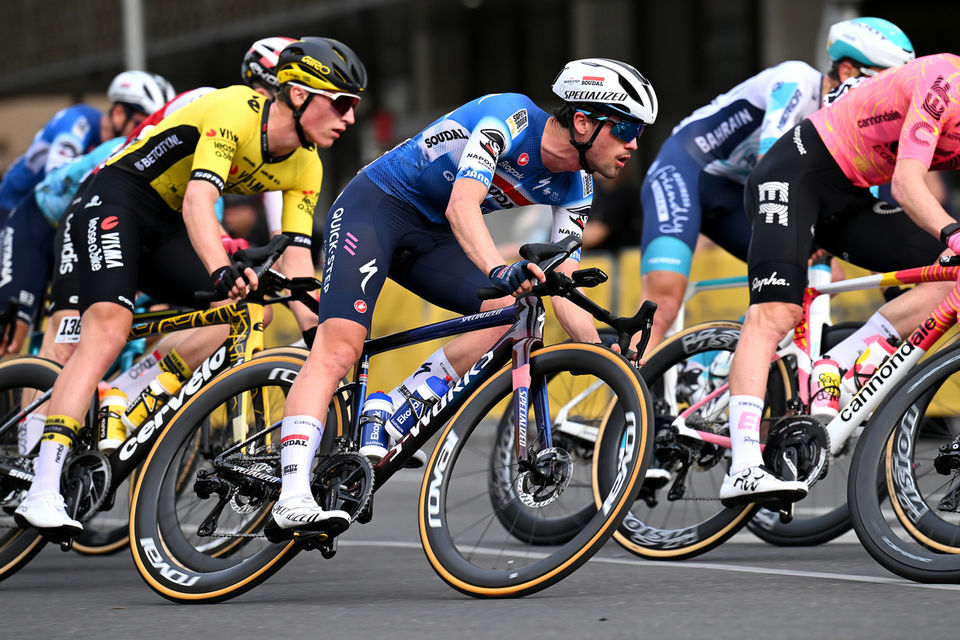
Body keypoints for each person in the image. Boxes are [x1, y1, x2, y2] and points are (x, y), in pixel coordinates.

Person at [270, 58, 658, 534]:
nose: (634, 144)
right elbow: (462, 205)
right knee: (341, 348)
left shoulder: (577, 186)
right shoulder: (507, 118)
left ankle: (389, 410)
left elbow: (564, 285)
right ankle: (291, 496)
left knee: (507, 312)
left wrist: (605, 351)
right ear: (582, 121)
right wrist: (500, 267)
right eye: (625, 129)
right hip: (375, 211)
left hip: (432, 239)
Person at [13, 37, 368, 539]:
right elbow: (199, 201)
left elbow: (295, 256)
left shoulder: (306, 163)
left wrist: (318, 328)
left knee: (249, 312)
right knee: (107, 332)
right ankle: (42, 487)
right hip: (115, 201)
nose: (349, 118)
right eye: (342, 103)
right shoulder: (235, 110)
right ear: (296, 94)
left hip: (165, 230)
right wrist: (222, 268)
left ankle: (129, 394)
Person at [719, 52, 960, 505]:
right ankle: (745, 465)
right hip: (795, 173)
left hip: (850, 197)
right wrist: (953, 231)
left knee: (950, 274)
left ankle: (841, 359)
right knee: (777, 313)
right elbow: (908, 185)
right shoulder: (944, 80)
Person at [638, 17, 915, 350]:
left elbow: (861, 204)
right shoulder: (796, 80)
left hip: (739, 195)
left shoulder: (855, 126)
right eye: (886, 80)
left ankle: (714, 367)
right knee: (664, 301)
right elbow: (771, 163)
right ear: (847, 72)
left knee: (793, 287)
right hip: (687, 173)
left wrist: (893, 281)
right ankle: (625, 389)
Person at [0, 71, 175, 355]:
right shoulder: (80, 122)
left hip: (71, 224)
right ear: (118, 112)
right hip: (20, 216)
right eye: (142, 123)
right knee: (11, 333)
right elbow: (58, 176)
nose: (145, 134)